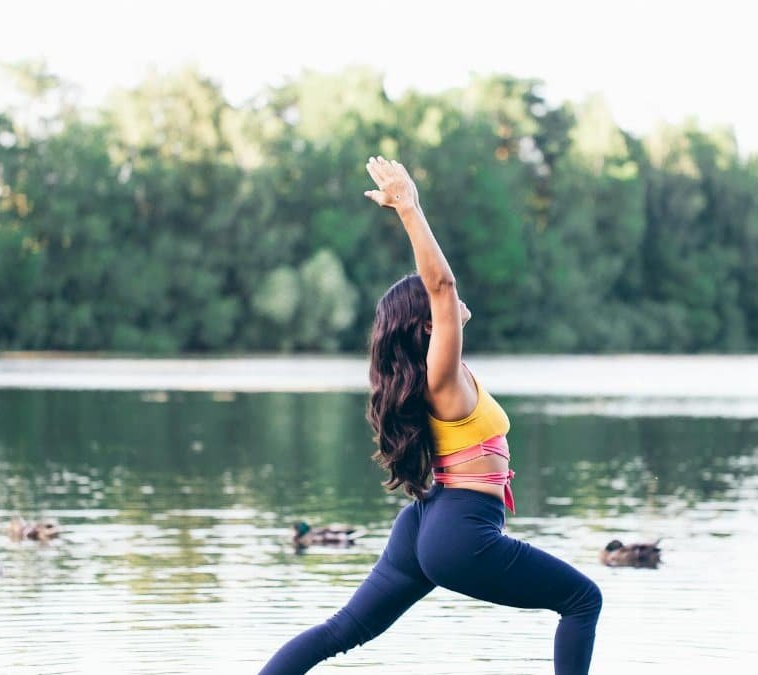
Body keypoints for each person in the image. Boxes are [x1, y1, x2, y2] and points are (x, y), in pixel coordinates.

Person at [258, 157, 602, 674]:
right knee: (583, 600)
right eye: (442, 304)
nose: (455, 298)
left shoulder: (435, 377)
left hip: (424, 525)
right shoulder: (439, 376)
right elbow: (440, 285)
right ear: (428, 324)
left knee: (342, 631)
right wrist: (409, 208)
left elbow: (439, 292)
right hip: (460, 529)